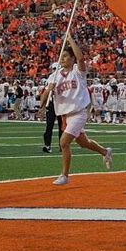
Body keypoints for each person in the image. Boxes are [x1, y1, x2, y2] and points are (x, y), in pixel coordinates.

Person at [48, 34, 112, 185]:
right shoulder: (57, 75)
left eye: (65, 56)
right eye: (61, 57)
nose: (62, 59)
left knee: (64, 143)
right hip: (65, 115)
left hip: (78, 113)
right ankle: (105, 152)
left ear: (72, 58)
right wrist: (43, 103)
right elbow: (48, 91)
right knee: (84, 143)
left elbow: (81, 59)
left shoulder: (78, 71)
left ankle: (64, 175)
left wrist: (70, 40)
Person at [38, 60, 64, 154]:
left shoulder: (64, 76)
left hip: (62, 103)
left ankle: (62, 145)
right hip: (52, 103)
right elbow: (46, 92)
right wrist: (42, 106)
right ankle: (47, 145)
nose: (53, 70)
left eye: (54, 68)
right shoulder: (51, 77)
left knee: (63, 127)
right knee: (49, 125)